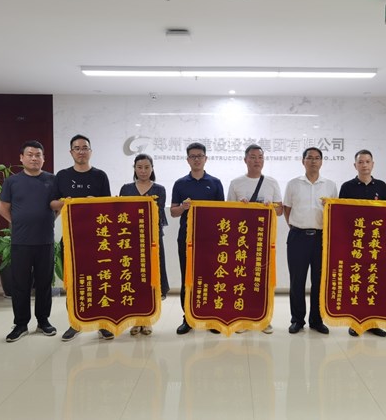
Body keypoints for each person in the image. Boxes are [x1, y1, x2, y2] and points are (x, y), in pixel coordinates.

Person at [50, 134, 115, 341]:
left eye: (84, 148)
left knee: (100, 280)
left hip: (98, 239)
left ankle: (102, 324)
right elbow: (52, 203)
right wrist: (65, 202)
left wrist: (95, 202)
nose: (81, 151)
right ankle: (75, 323)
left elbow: (109, 206)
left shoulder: (100, 176)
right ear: (71, 152)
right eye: (77, 148)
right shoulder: (62, 176)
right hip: (71, 238)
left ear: (90, 151)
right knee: (73, 282)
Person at [0, 140, 56, 342]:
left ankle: (43, 321)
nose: (34, 158)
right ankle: (21, 324)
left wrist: (46, 220)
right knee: (20, 284)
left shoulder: (52, 180)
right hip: (21, 241)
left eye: (38, 155)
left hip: (45, 241)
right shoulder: (12, 182)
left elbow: (56, 207)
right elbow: (3, 208)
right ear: (21, 158)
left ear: (43, 158)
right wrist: (19, 222)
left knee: (44, 283)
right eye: (30, 154)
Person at [227, 144, 283, 334]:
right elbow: (229, 212)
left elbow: (280, 210)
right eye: (252, 157)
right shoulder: (236, 183)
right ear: (245, 160)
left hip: (264, 239)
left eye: (260, 157)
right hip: (242, 240)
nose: (256, 161)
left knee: (263, 280)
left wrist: (270, 206)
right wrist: (241, 207)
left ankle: (264, 319)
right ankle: (242, 319)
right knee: (242, 278)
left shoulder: (271, 182)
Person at [171, 142, 225, 334]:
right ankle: (188, 318)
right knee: (187, 278)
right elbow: (173, 212)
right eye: (193, 156)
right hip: (186, 239)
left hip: (210, 240)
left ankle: (211, 318)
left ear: (205, 158)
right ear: (188, 160)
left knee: (211, 277)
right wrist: (183, 207)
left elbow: (222, 213)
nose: (196, 159)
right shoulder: (180, 183)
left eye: (199, 156)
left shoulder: (215, 183)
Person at [283, 147, 338, 334]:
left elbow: (334, 212)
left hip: (321, 238)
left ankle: (316, 320)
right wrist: (296, 226)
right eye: (309, 158)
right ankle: (297, 320)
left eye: (317, 158)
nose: (313, 161)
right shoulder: (293, 184)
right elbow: (287, 209)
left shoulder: (330, 185)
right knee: (297, 281)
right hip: (298, 237)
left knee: (319, 281)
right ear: (303, 161)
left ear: (321, 162)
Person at [339, 149, 386, 338]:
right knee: (356, 282)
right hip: (355, 244)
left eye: (368, 161)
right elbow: (341, 215)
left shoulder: (382, 187)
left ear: (373, 164)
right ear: (355, 165)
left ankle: (374, 323)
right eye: (361, 162)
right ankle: (355, 322)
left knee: (374, 282)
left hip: (376, 244)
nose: (364, 165)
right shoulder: (347, 187)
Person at [119, 153, 170, 336]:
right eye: (139, 167)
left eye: (147, 167)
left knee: (151, 281)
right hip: (131, 241)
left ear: (152, 168)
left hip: (153, 241)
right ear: (134, 168)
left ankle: (148, 320)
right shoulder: (126, 189)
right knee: (134, 280)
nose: (143, 171)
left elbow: (158, 215)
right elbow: (122, 215)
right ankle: (136, 320)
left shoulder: (160, 189)